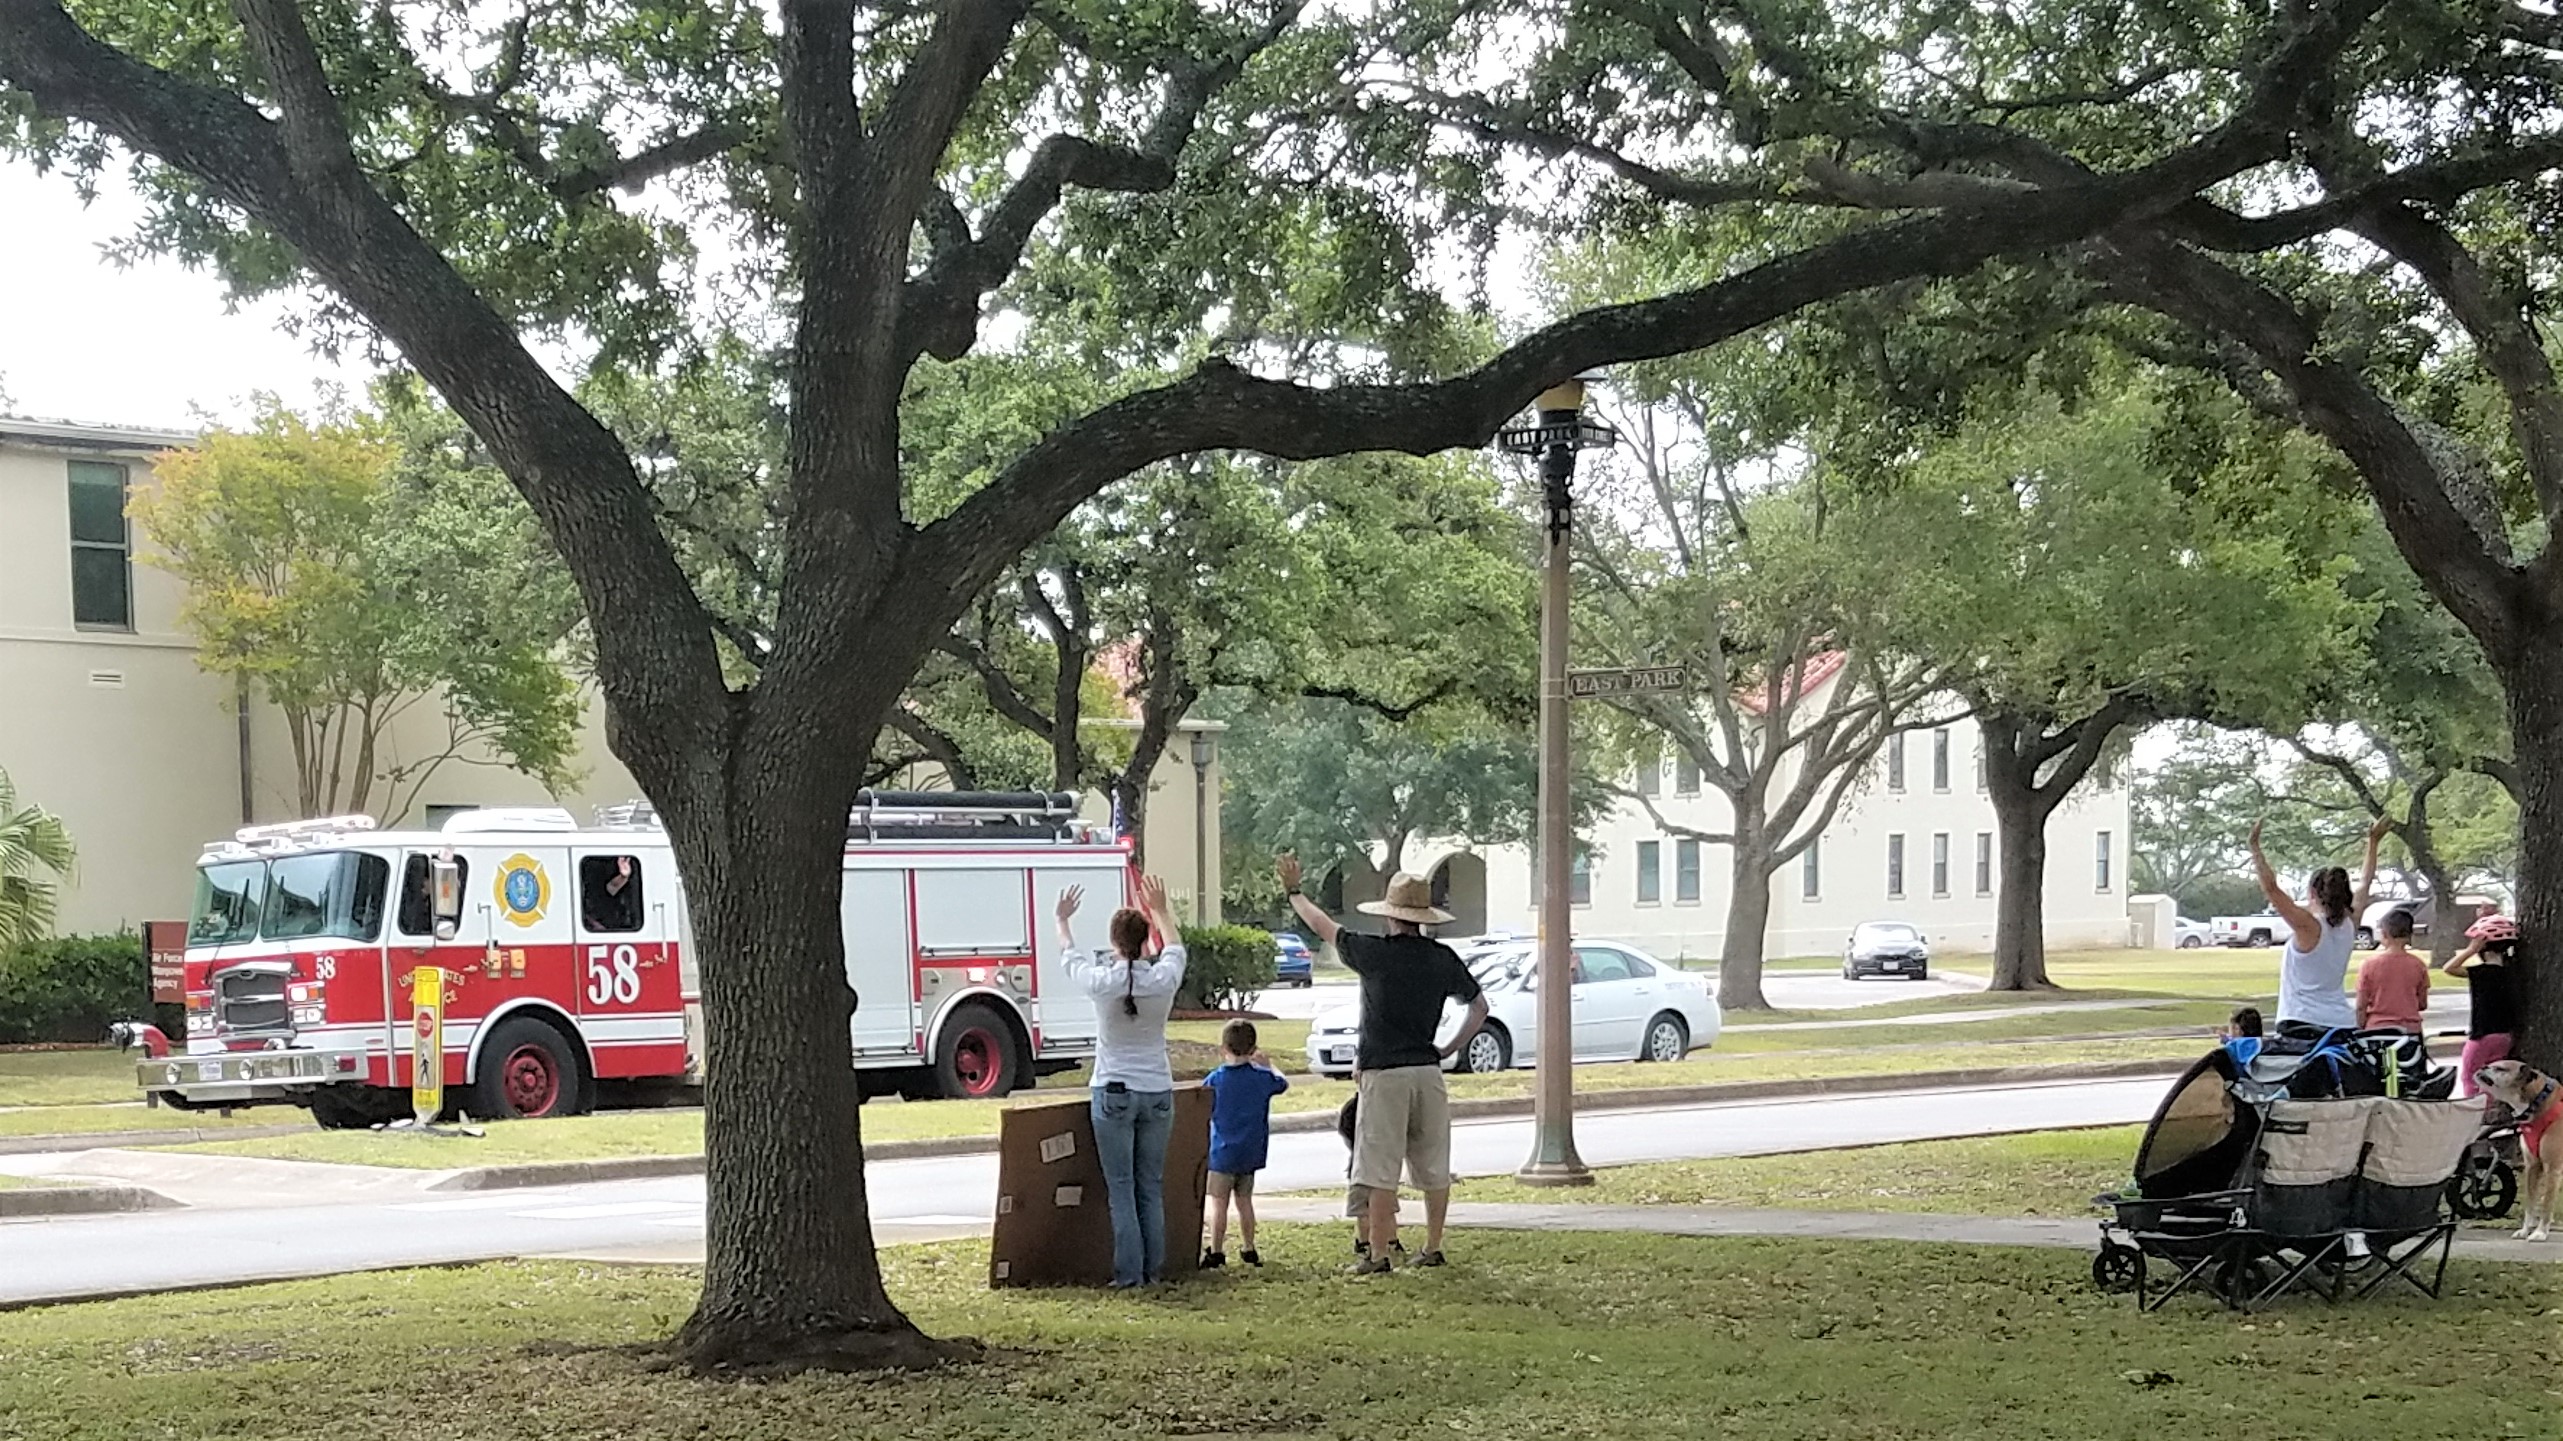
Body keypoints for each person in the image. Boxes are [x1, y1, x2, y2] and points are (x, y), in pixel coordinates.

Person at [1280, 854, 1490, 1274]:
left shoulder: (1372, 952)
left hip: (1383, 1073)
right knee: (1433, 1163)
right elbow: (1480, 1007)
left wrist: (1294, 891)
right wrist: (1448, 1048)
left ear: (1390, 916)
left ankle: (1377, 1254)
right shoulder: (1441, 958)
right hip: (1427, 1070)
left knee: (1378, 1165)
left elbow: (1322, 925)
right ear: (1424, 917)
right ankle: (1432, 1247)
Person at [1059, 875, 1185, 1290]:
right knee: (1151, 1185)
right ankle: (1154, 1269)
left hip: (1113, 1089)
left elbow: (1070, 959)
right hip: (1157, 1090)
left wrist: (1062, 921)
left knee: (1122, 1188)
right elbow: (1176, 949)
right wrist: (1161, 909)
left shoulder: (1102, 982)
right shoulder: (1163, 980)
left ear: (1113, 943)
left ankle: (1129, 1274)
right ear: (1145, 938)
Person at [2248, 816, 2387, 1031]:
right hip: (2342, 1023)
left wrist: (2255, 849)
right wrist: (2373, 842)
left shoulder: (2308, 926)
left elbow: (2271, 889)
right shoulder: (2350, 923)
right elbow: (2365, 881)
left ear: (2313, 893)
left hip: (2301, 1022)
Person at [1201, 1019, 1289, 1269]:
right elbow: (1282, 1083)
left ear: (1223, 1048)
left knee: (1219, 1204)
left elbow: (1202, 1103)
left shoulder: (1216, 1080)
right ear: (1253, 1049)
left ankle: (1217, 1250)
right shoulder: (1261, 1079)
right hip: (1250, 1152)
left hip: (1221, 1153)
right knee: (1245, 1201)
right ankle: (1249, 1247)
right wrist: (1269, 1065)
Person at [2444, 912, 2521, 1098]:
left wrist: (2469, 950)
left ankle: (2476, 1113)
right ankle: (2493, 1109)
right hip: (2505, 1035)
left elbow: (2449, 968)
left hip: (2482, 1035)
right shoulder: (2511, 971)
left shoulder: (2481, 973)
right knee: (2495, 1079)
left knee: (2471, 1077)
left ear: (2482, 948)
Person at [1337, 1090, 1403, 1261]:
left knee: (1363, 1209)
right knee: (1386, 1204)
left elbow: (1344, 1129)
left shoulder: (1353, 1108)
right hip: (1384, 1163)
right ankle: (1392, 1240)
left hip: (1360, 1164)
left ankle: (1365, 1241)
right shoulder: (1387, 1108)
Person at [2355, 908, 2430, 1033]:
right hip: (2410, 1030)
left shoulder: (2369, 965)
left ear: (2384, 934)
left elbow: (2360, 1006)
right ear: (2410, 934)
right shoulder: (2418, 965)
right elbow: (2422, 1004)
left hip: (2378, 1029)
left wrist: (2360, 1028)